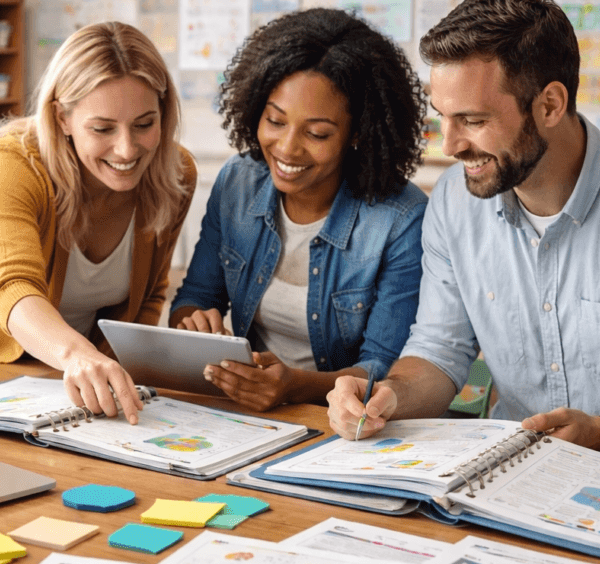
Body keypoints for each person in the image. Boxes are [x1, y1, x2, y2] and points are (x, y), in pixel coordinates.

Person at [326, 0, 600, 464]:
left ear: (550, 105)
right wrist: (388, 398)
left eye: (474, 121)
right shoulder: (455, 201)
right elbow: (440, 353)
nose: (450, 145)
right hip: (509, 475)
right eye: (442, 115)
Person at [0, 22, 196, 424]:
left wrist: (109, 368)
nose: (127, 148)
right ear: (61, 117)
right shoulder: (15, 161)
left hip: (69, 384)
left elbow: (149, 296)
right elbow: (14, 287)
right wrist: (79, 356)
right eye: (102, 128)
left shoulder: (176, 173)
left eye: (144, 124)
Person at [168, 8, 427, 412]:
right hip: (248, 412)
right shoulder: (238, 183)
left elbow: (385, 366)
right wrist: (195, 325)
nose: (287, 148)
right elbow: (196, 296)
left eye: (317, 133)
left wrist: (297, 387)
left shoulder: (400, 219)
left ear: (358, 132)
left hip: (347, 422)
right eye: (275, 120)